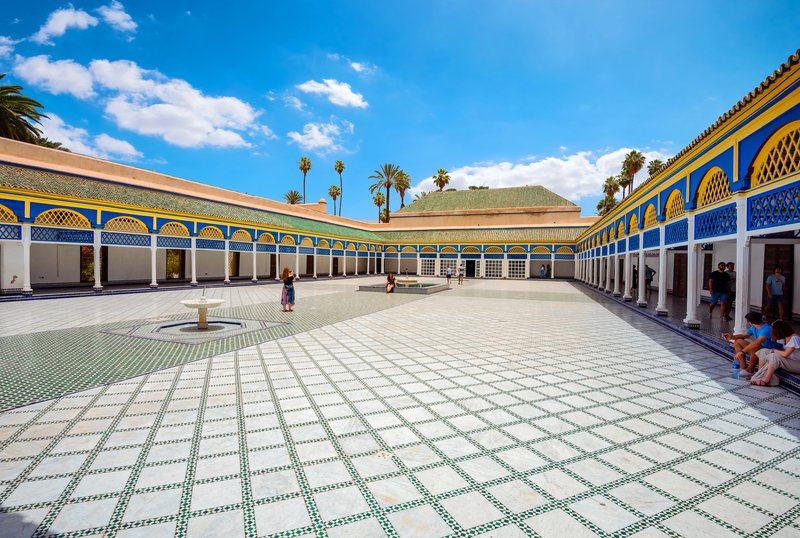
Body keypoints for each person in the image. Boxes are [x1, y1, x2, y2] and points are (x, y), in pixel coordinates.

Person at [723, 311, 777, 376]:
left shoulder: (767, 329)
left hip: (772, 351)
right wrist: (731, 337)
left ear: (751, 322)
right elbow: (744, 336)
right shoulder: (754, 327)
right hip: (761, 348)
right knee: (738, 341)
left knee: (755, 346)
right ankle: (743, 367)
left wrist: (742, 351)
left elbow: (757, 342)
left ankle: (750, 370)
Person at [749, 320, 798, 386]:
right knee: (763, 351)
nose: (773, 332)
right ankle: (759, 375)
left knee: (774, 356)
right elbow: (773, 341)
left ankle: (766, 380)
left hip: (797, 364)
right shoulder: (785, 338)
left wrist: (774, 351)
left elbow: (785, 354)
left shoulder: (795, 338)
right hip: (789, 361)